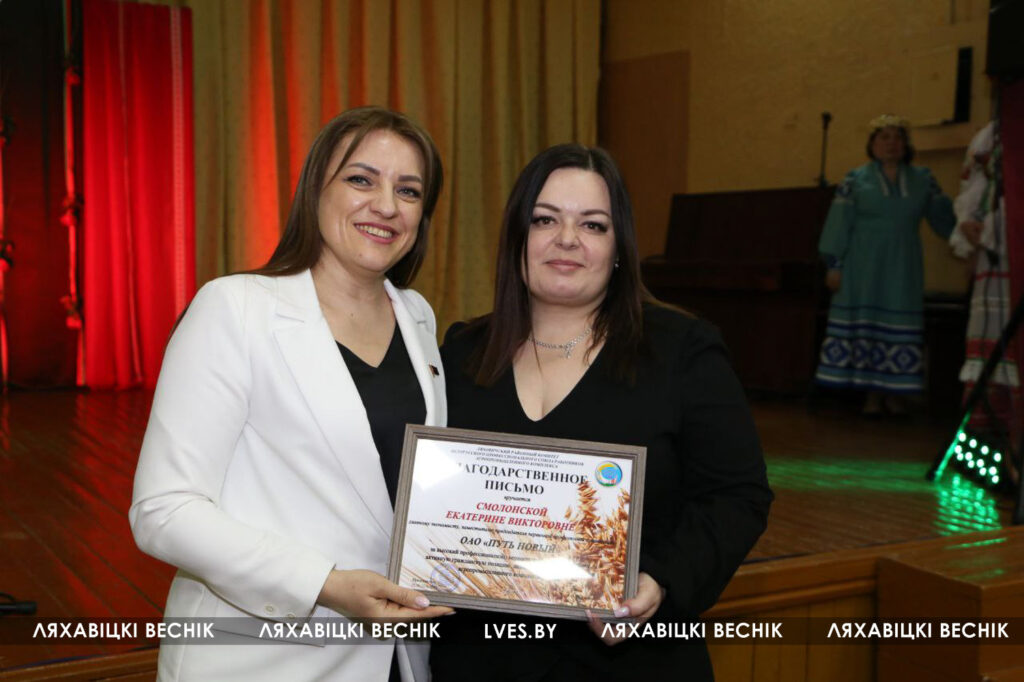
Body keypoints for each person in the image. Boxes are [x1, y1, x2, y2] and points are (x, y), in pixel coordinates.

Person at [130, 106, 451, 682]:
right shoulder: (235, 308)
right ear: (315, 191)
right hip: (258, 657)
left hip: (396, 656)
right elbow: (164, 510)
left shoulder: (418, 317)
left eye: (408, 190)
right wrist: (323, 584)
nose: (386, 205)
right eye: (361, 179)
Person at [430, 144, 772, 680]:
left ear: (618, 248)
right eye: (545, 219)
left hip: (631, 662)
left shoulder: (681, 350)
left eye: (592, 225)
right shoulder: (460, 353)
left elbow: (738, 496)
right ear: (517, 237)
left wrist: (659, 580)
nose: (567, 238)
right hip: (481, 658)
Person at [815, 114, 957, 416]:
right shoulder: (855, 180)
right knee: (866, 322)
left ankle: (893, 394)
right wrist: (834, 264)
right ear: (872, 144)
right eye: (884, 137)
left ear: (907, 144)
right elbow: (839, 223)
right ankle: (870, 397)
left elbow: (944, 219)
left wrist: (968, 238)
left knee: (898, 322)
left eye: (898, 137)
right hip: (862, 267)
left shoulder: (923, 179)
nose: (892, 143)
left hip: (903, 266)